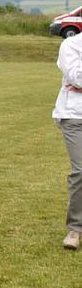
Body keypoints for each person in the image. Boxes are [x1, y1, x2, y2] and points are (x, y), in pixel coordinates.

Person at [54, 30, 82, 249]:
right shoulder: (71, 45)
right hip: (74, 116)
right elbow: (76, 76)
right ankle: (75, 229)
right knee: (81, 170)